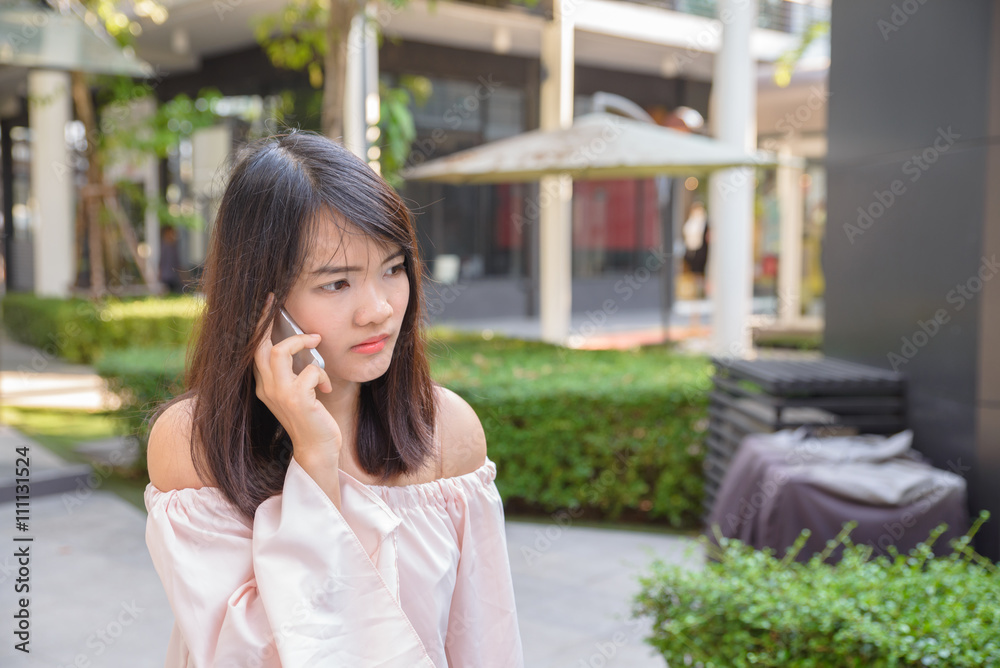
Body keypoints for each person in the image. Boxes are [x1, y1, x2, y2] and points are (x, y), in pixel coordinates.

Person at [143, 131, 524, 667]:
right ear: (260, 301)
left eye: (393, 269)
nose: (379, 310)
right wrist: (315, 461)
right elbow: (252, 656)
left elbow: (487, 645)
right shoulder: (193, 444)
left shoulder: (447, 431)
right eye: (337, 284)